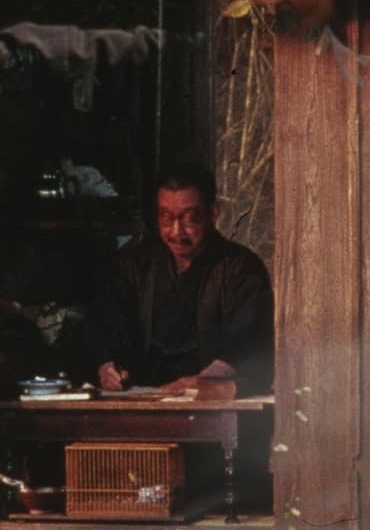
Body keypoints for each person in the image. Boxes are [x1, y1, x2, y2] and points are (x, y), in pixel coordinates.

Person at [85, 161, 273, 394]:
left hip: (209, 402)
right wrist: (107, 366)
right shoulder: (134, 265)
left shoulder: (240, 268)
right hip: (143, 398)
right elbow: (104, 328)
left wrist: (207, 381)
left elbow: (250, 340)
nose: (176, 231)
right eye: (166, 218)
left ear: (213, 213)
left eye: (189, 218)